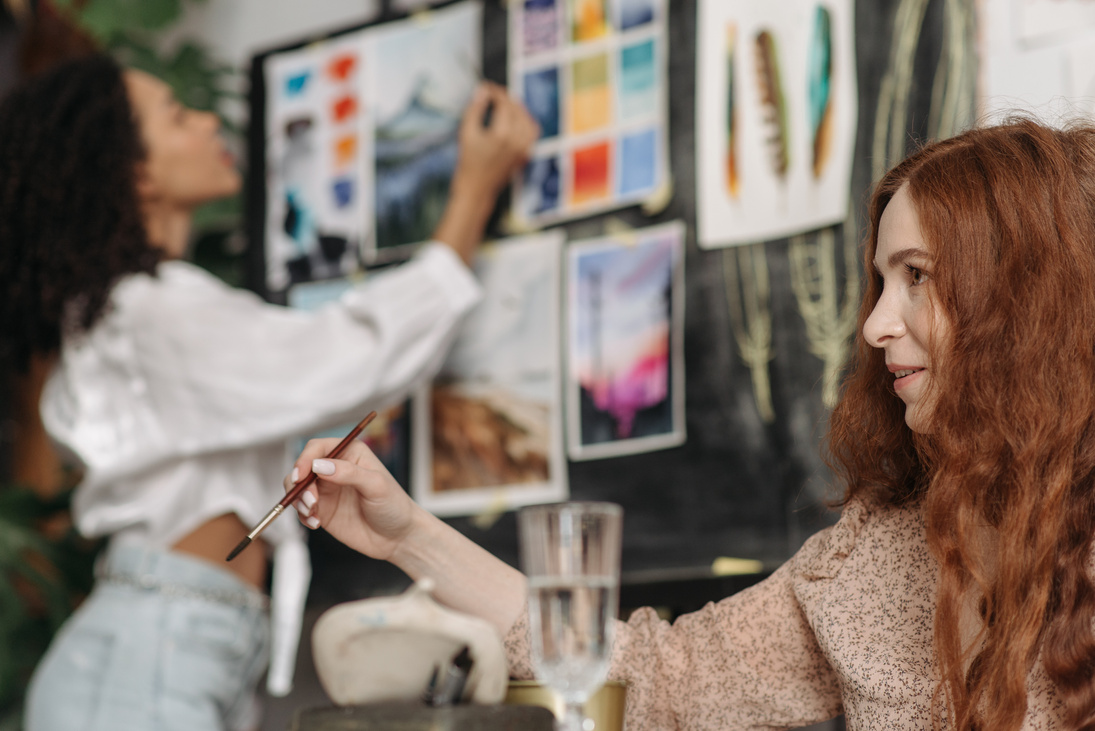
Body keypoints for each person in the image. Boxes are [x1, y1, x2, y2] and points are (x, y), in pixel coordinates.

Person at [285, 117, 1095, 731]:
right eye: (878, 283)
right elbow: (661, 680)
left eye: (915, 277)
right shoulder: (877, 552)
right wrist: (405, 537)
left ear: (1018, 304)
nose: (876, 323)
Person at [0, 53, 538, 731]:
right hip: (152, 653)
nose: (204, 120)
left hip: (178, 644)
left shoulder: (138, 312)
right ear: (132, 171)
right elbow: (348, 360)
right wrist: (471, 194)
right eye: (176, 114)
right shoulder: (146, 312)